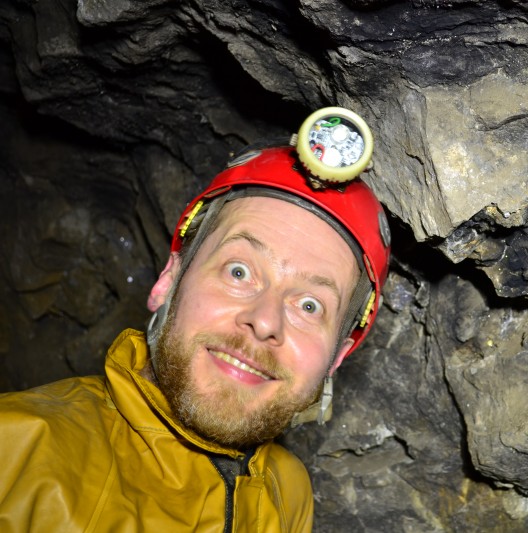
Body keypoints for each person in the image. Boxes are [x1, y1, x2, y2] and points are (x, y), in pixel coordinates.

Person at [0, 114, 391, 532]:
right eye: (238, 272)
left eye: (310, 306)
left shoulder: (288, 495)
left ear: (337, 357)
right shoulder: (15, 454)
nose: (264, 321)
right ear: (170, 280)